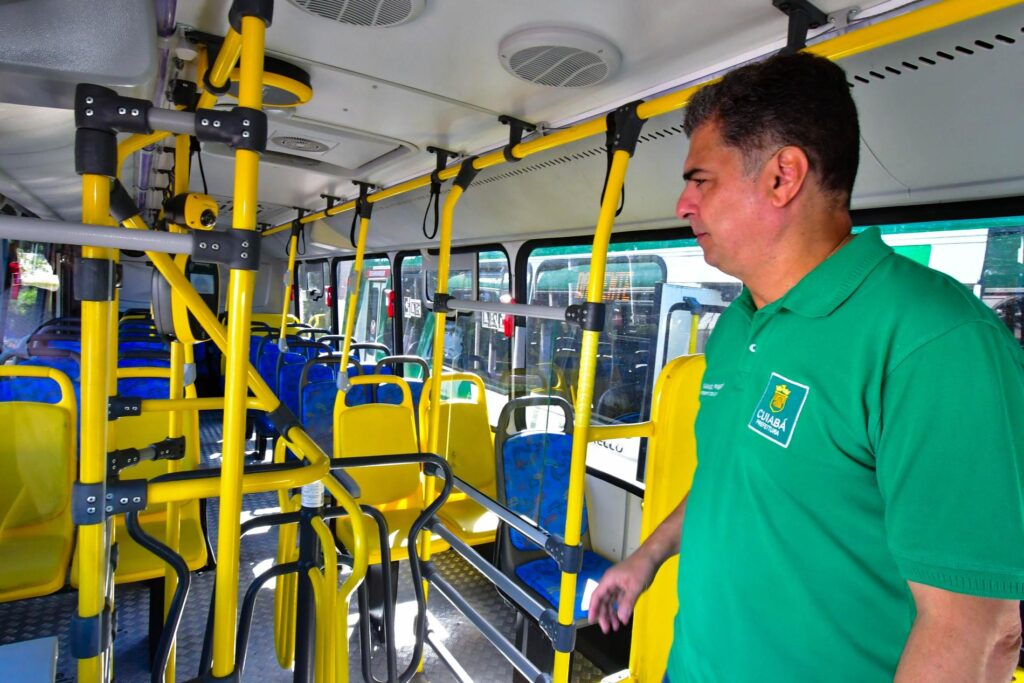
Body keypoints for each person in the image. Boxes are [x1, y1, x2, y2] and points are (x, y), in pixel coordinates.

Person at [588, 52, 1024, 683]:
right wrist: (646, 557)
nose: (683, 203)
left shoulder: (935, 342)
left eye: (701, 180)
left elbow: (979, 631)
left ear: (782, 177)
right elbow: (730, 477)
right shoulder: (737, 325)